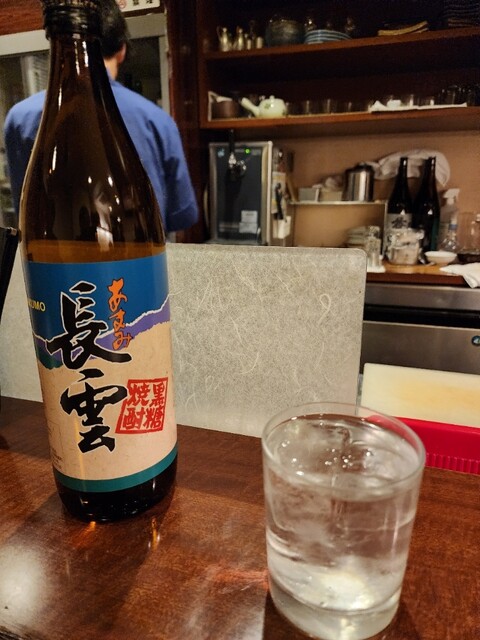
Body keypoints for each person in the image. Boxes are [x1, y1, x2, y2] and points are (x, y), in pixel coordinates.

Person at [4, 0, 198, 234]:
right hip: (140, 248)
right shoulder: (157, 120)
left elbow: (26, 208)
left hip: (54, 245)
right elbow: (183, 215)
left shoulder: (19, 118)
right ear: (122, 50)